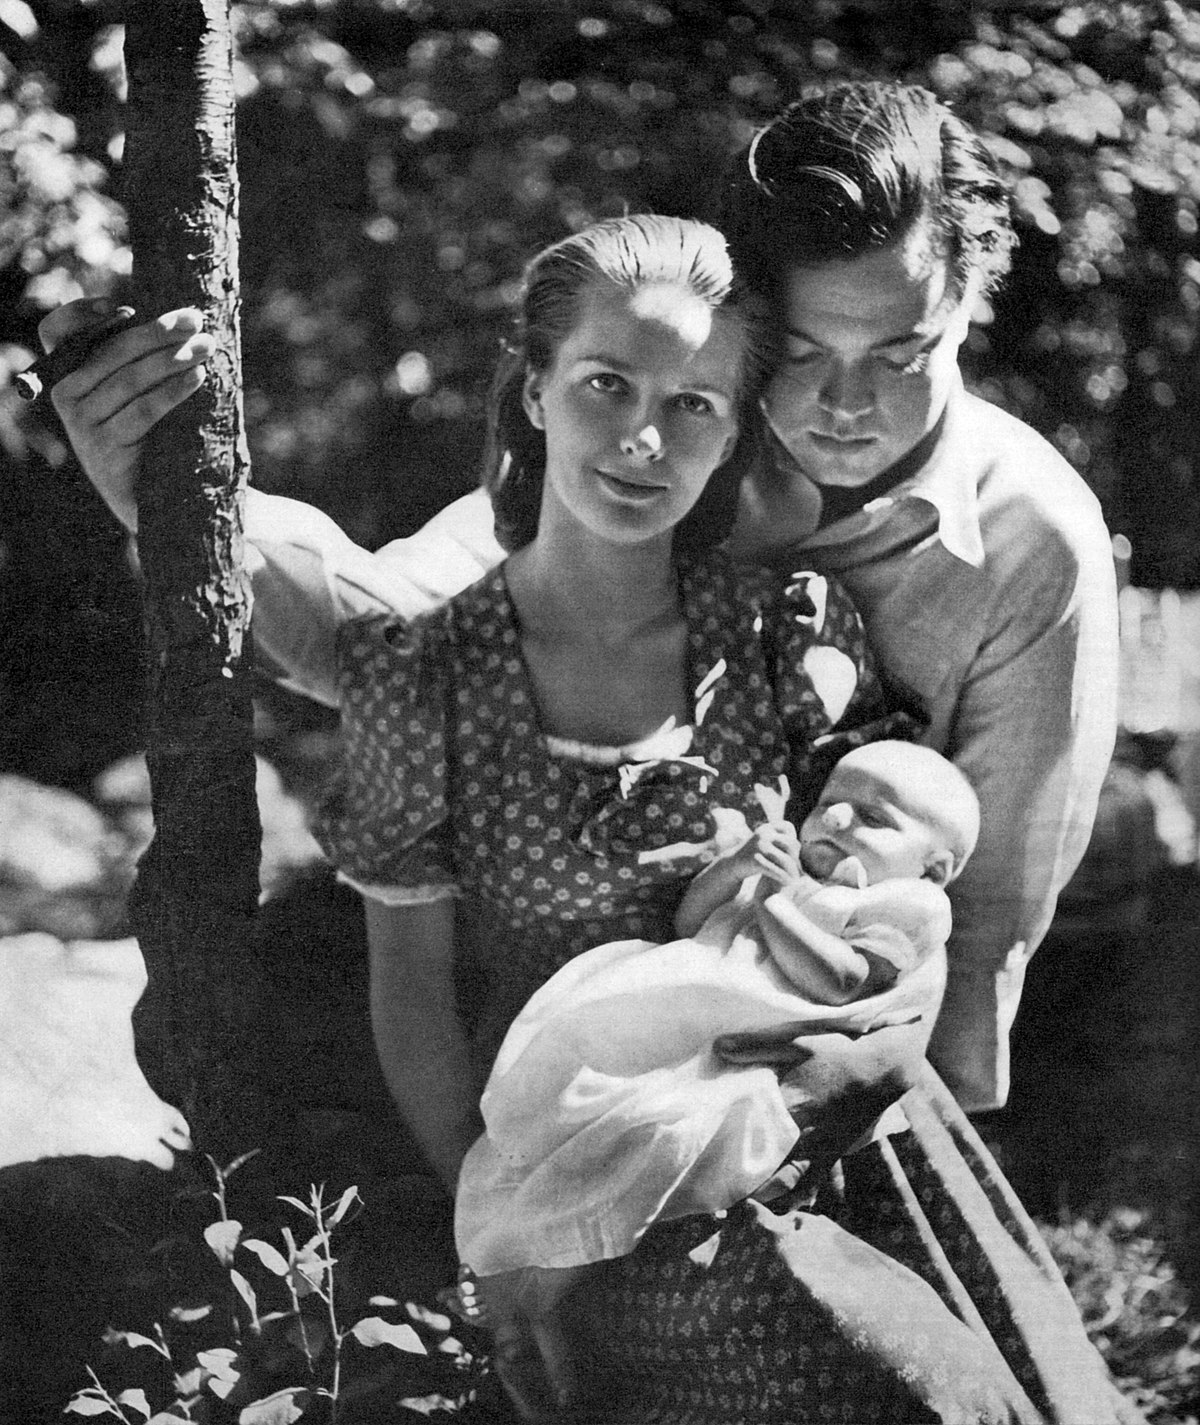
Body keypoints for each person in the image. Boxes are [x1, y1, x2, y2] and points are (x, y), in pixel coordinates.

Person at [36, 87, 1134, 1423]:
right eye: (804, 353)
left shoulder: (1034, 545)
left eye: (902, 350)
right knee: (247, 1015)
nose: (845, 406)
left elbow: (988, 924)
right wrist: (173, 489)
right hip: (550, 1035)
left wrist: (824, 1191)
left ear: (966, 311)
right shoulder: (667, 436)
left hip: (827, 1075)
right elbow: (387, 624)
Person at [454, 743, 978, 1355]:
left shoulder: (902, 906)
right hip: (684, 1021)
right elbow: (692, 922)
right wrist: (734, 869)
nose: (836, 822)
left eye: (873, 818)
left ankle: (548, 1283)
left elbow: (840, 980)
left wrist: (775, 904)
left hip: (758, 1053)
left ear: (934, 869)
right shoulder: (791, 870)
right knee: (577, 1089)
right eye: (832, 803)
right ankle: (528, 1282)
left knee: (660, 1133)